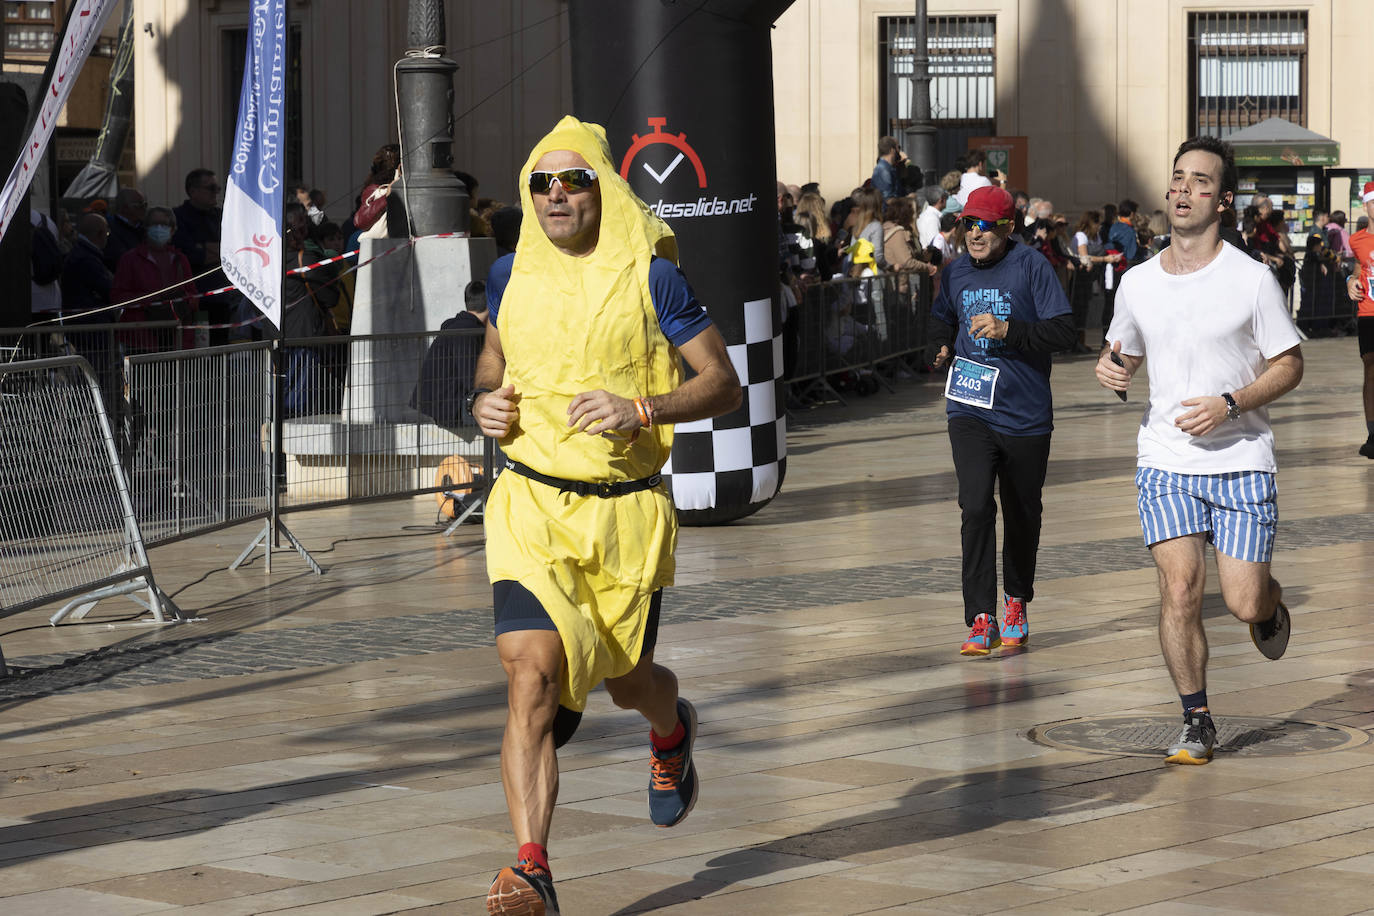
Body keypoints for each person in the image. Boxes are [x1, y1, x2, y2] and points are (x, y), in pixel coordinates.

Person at [472, 116, 741, 916]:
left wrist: (642, 406)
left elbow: (724, 383)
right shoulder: (509, 273)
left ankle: (671, 728)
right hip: (529, 504)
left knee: (629, 685)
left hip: (622, 520)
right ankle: (531, 870)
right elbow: (494, 354)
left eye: (574, 180)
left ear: (604, 189)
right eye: (541, 183)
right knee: (531, 678)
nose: (557, 195)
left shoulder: (652, 278)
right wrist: (484, 396)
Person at [1096, 136, 1302, 765]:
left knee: (1242, 599)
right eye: (1178, 178)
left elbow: (1290, 365)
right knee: (1180, 589)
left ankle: (1269, 608)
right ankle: (1196, 719)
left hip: (1241, 459)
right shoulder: (1137, 282)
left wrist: (1231, 403)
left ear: (1224, 200)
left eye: (1201, 182)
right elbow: (1124, 350)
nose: (1184, 189)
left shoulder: (1251, 279)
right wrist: (1112, 368)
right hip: (1165, 460)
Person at [929, 186, 1075, 656]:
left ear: (1008, 228)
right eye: (968, 224)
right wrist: (942, 345)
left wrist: (1010, 330)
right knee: (974, 507)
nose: (974, 233)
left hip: (1025, 413)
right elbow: (941, 319)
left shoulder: (1032, 266)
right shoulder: (954, 274)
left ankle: (1015, 600)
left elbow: (1064, 332)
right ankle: (980, 616)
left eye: (986, 225)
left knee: (1021, 511)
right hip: (969, 408)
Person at [113, 207, 199, 353]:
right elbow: (118, 297)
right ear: (146, 228)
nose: (159, 228)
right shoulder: (130, 260)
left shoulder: (180, 259)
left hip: (176, 338)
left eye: (164, 224)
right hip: (141, 339)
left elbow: (194, 296)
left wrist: (182, 300)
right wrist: (152, 301)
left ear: (172, 230)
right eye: (154, 224)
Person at [1345, 181, 1374, 458]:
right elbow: (1358, 269)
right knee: (1370, 370)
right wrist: (1350, 281)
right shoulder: (1357, 240)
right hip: (1368, 313)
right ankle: (1372, 433)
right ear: (1366, 205)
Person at [103, 187, 147, 271]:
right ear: (125, 208)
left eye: (145, 205)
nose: (144, 209)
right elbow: (119, 260)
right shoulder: (111, 230)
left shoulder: (144, 227)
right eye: (139, 206)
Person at [871, 136, 904, 201]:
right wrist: (907, 199)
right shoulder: (883, 170)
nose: (899, 151)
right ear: (892, 150)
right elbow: (887, 199)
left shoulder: (890, 168)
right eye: (898, 147)